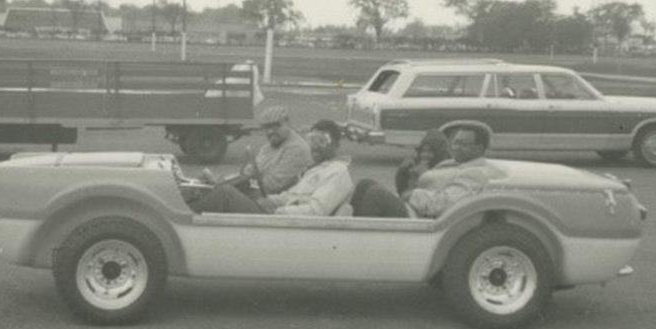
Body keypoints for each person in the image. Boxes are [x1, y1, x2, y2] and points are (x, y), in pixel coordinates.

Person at [191, 119, 353, 216]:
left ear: (336, 145)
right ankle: (198, 198)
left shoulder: (338, 173)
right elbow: (291, 196)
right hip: (278, 213)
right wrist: (269, 201)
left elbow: (316, 210)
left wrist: (277, 210)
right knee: (231, 190)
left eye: (322, 141)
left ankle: (187, 217)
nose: (315, 146)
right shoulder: (317, 169)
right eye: (312, 140)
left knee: (226, 194)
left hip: (281, 222)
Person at [350, 125, 499, 219]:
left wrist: (412, 194)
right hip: (416, 208)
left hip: (424, 219)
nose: (456, 148)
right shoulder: (455, 163)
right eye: (455, 143)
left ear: (479, 148)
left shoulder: (475, 174)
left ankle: (358, 242)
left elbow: (443, 205)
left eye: (463, 144)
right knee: (365, 184)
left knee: (376, 194)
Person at [200, 105, 311, 196]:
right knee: (208, 193)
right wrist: (221, 182)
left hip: (278, 202)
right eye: (267, 127)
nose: (271, 131)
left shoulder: (297, 148)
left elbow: (272, 185)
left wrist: (233, 187)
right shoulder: (268, 148)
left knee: (220, 197)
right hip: (261, 195)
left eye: (276, 126)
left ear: (288, 123)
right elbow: (248, 173)